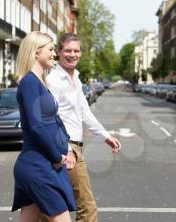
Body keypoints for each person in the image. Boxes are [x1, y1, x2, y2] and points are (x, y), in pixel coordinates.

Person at [45, 33, 122, 222]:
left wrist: (106, 136)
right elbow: (49, 118)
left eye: (76, 51)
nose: (73, 54)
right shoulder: (54, 80)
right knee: (87, 207)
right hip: (66, 148)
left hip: (74, 147)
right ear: (59, 52)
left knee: (49, 209)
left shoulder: (76, 79)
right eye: (68, 50)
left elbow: (85, 113)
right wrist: (65, 149)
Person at [11, 31, 76, 222]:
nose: (55, 53)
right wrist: (56, 157)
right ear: (36, 52)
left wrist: (68, 148)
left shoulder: (40, 82)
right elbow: (36, 126)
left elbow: (54, 120)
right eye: (50, 49)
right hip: (39, 165)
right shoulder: (30, 82)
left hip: (42, 163)